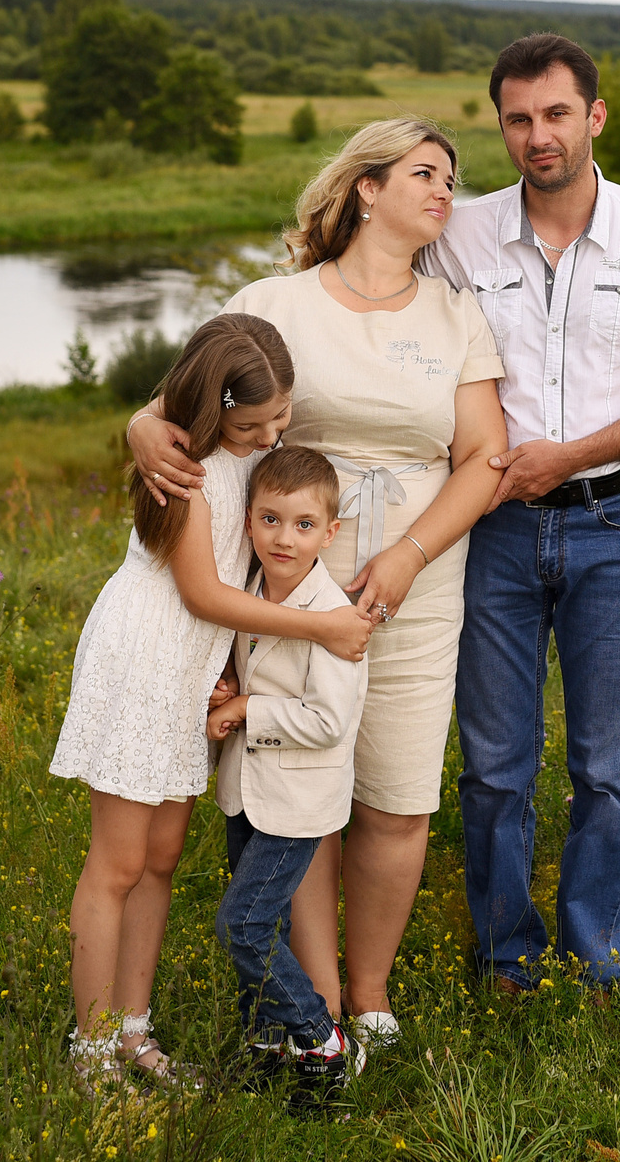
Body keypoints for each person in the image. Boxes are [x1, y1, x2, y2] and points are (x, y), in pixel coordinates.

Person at [128, 116, 507, 1047]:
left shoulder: (455, 310)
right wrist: (142, 423)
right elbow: (193, 392)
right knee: (300, 782)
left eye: (452, 180)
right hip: (291, 585)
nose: (445, 192)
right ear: (367, 187)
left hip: (414, 583)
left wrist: (410, 554)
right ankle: (319, 998)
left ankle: (371, 1000)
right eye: (426, 172)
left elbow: (486, 455)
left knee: (397, 791)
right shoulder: (282, 301)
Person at [436, 32, 620, 992]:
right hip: (494, 531)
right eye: (518, 119)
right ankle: (507, 959)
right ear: (502, 126)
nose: (538, 136)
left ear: (594, 117)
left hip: (618, 527)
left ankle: (595, 958)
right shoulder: (461, 235)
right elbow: (353, 296)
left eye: (557, 113)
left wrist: (570, 455)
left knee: (608, 768)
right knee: (494, 766)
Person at [48, 315, 376, 1087]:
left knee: (160, 858)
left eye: (282, 420)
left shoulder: (233, 453)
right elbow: (202, 592)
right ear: (212, 407)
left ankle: (134, 1032)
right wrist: (322, 625)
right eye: (251, 423)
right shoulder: (186, 467)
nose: (269, 437)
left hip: (191, 667)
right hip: (144, 657)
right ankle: (91, 1055)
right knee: (118, 863)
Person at [207, 446, 370, 1096]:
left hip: (298, 800)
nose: (284, 537)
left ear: (330, 532)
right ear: (250, 521)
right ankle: (265, 1041)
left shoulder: (333, 615)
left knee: (242, 925)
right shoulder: (251, 590)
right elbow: (248, 656)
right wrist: (228, 685)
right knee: (264, 925)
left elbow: (329, 718)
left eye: (304, 524)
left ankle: (323, 1038)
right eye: (271, 519)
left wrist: (250, 706)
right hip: (246, 789)